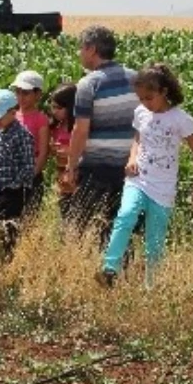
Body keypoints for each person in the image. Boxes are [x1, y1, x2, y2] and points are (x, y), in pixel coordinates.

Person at [98, 64, 193, 288]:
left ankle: (151, 286)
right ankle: (109, 269)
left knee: (154, 241)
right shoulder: (141, 112)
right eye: (141, 98)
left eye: (149, 98)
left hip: (164, 187)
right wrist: (131, 158)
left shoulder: (180, 119)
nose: (145, 103)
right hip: (139, 179)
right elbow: (138, 138)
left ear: (164, 92)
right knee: (125, 216)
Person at [61, 26, 138, 248]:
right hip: (131, 166)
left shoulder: (89, 83)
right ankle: (119, 272)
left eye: (81, 48)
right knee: (121, 226)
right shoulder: (135, 78)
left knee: (88, 225)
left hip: (97, 167)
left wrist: (71, 166)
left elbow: (81, 130)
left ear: (92, 49)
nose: (79, 53)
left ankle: (97, 272)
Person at [0, 88, 35, 262]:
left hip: (12, 192)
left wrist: (13, 186)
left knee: (8, 233)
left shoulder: (22, 135)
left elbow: (28, 166)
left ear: (13, 112)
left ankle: (6, 263)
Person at [10, 70, 51, 216]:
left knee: (28, 217)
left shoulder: (41, 119)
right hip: (10, 173)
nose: (21, 97)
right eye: (18, 92)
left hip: (30, 174)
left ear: (38, 95)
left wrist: (32, 174)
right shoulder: (11, 115)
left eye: (25, 93)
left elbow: (43, 151)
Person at [48, 83, 78, 223]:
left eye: (59, 108)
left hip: (76, 180)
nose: (54, 111)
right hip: (61, 181)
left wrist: (68, 150)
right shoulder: (56, 127)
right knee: (65, 218)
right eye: (53, 107)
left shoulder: (77, 128)